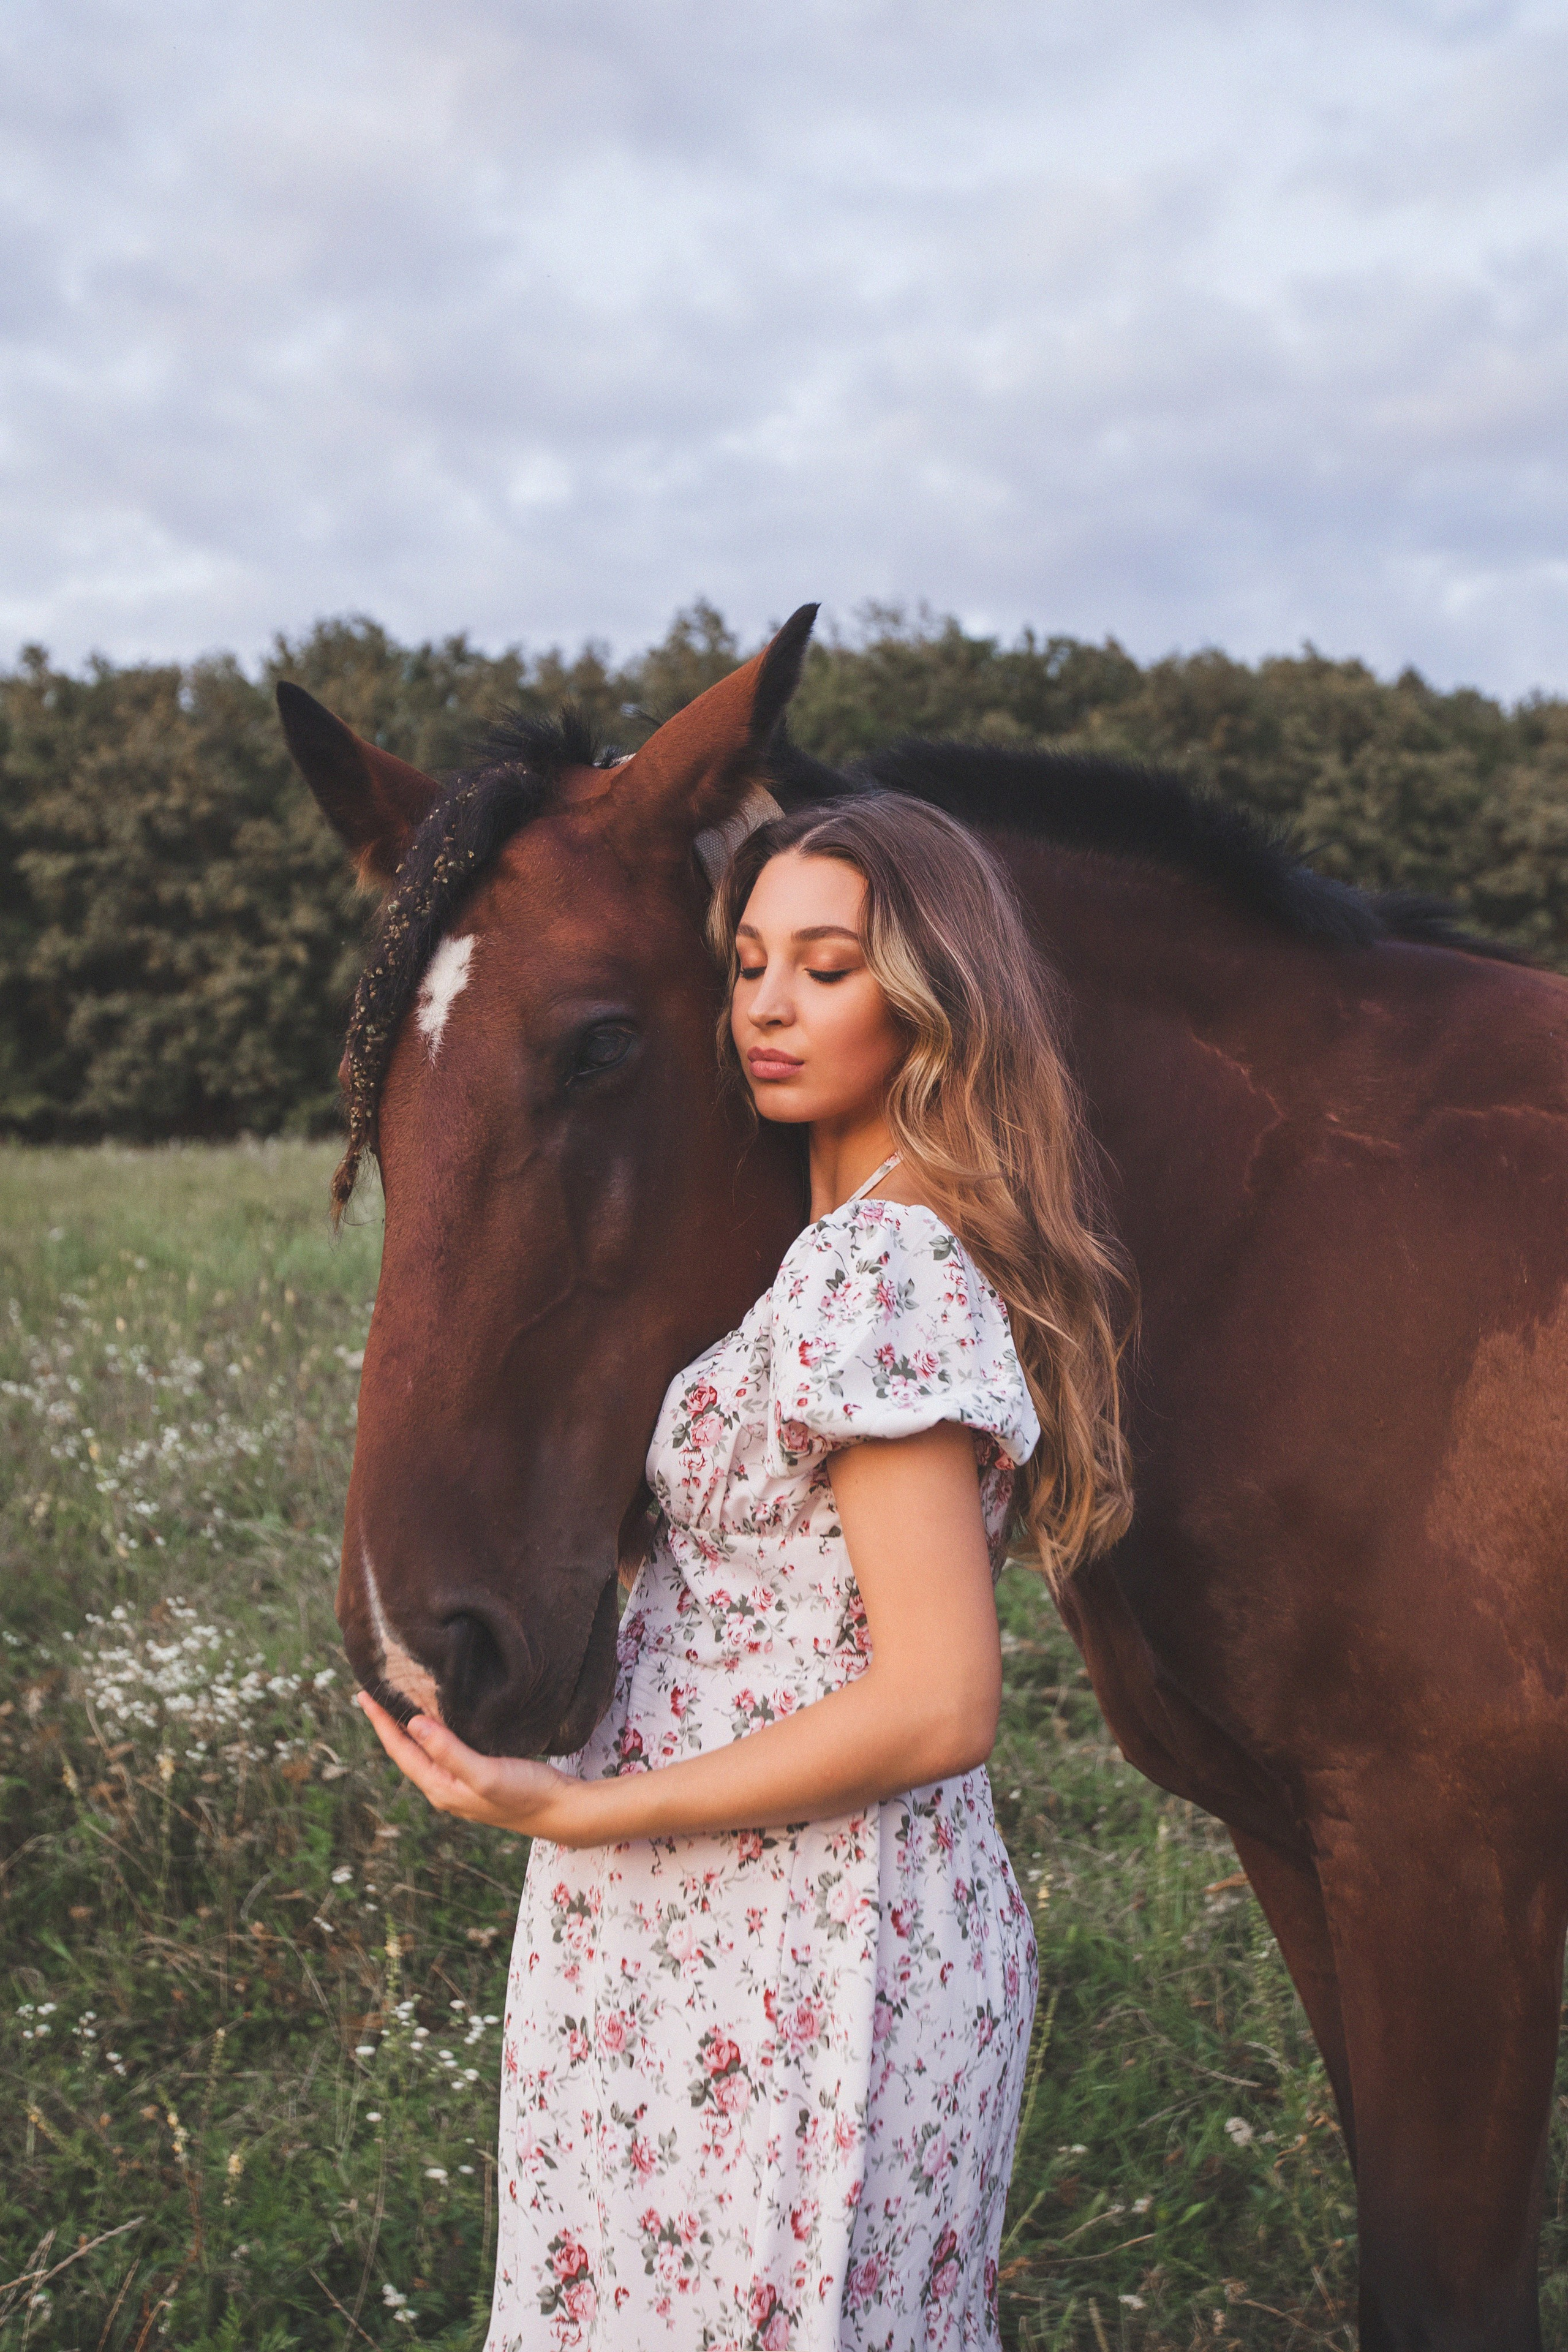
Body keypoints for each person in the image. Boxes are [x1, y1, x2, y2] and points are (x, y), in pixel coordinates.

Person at [359, 793, 1133, 2350]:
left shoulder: (881, 1267)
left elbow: (937, 1701)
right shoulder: (825, 1248)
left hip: (802, 1944)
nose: (769, 1006)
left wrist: (578, 1808)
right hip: (713, 1930)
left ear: (930, 997)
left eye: (828, 966)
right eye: (751, 964)